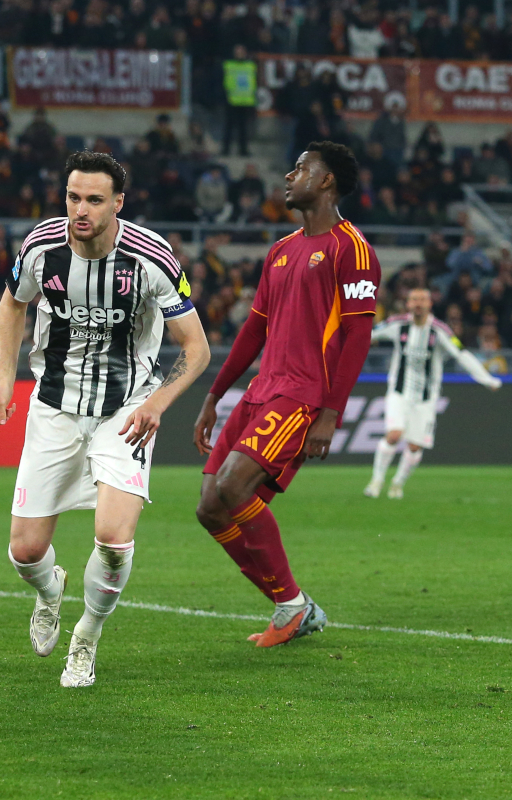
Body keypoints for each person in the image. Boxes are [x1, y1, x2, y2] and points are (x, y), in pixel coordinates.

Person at [0, 150, 210, 688]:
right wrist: (4, 380)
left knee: (113, 539)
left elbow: (196, 348)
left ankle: (86, 637)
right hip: (54, 406)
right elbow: (12, 305)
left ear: (118, 203)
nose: (80, 210)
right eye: (73, 197)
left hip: (127, 410)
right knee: (25, 551)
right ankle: (49, 590)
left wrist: (157, 402)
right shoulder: (41, 247)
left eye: (94, 200)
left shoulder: (151, 258)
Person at [193, 141, 378, 647]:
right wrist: (215, 395)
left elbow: (358, 337)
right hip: (261, 390)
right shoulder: (280, 250)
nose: (289, 176)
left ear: (326, 181)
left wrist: (331, 413)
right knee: (210, 507)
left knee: (234, 489)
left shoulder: (351, 249)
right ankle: (292, 604)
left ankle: (292, 607)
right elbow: (254, 329)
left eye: (300, 169)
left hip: (302, 394)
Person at [365, 288, 501, 499]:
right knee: (394, 435)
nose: (418, 303)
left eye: (422, 300)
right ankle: (376, 481)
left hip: (426, 398)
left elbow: (461, 354)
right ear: (408, 304)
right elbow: (366, 333)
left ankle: (397, 483)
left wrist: (486, 379)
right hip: (399, 392)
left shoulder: (440, 330)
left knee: (414, 446)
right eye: (414, 300)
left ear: (430, 304)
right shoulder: (397, 324)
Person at [222, 44, 257, 157]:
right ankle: (226, 149)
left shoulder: (251, 66)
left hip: (246, 101)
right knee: (229, 127)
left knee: (243, 129)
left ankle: (243, 150)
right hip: (232, 100)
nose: (239, 54)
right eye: (237, 52)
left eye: (241, 52)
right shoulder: (228, 65)